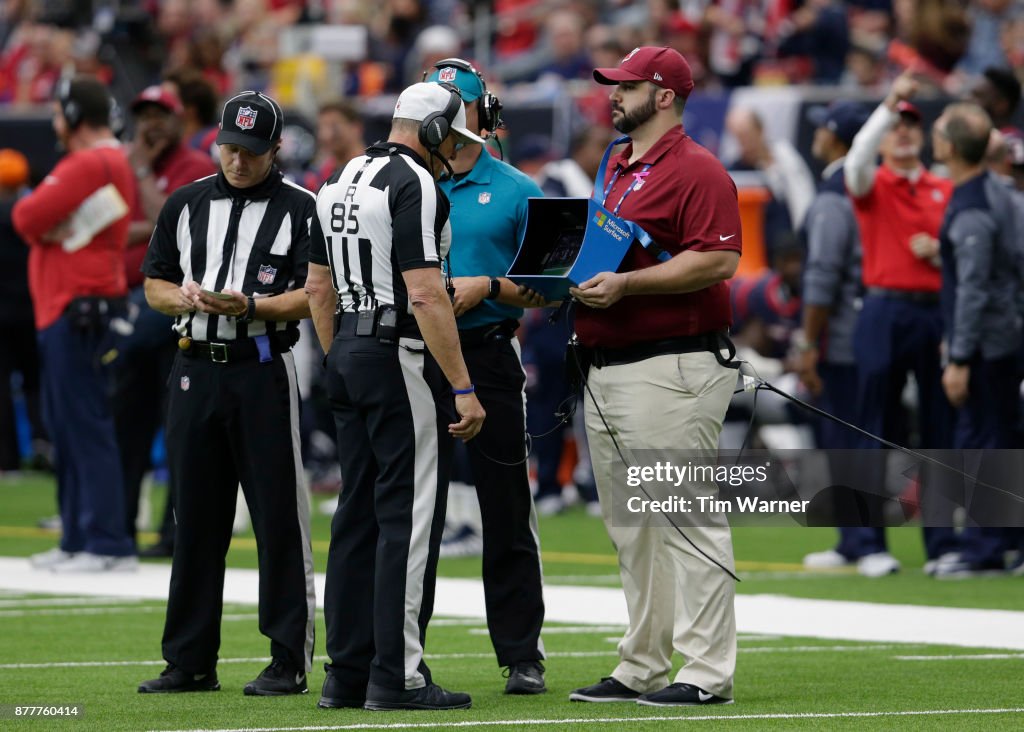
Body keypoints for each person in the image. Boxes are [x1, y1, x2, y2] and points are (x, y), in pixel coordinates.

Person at [566, 46, 742, 707]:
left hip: (671, 365)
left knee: (686, 520)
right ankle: (642, 661)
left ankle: (706, 673)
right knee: (632, 530)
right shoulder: (619, 163)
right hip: (609, 366)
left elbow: (719, 261)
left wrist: (628, 285)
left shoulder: (697, 169)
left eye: (626, 86)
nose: (612, 95)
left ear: (664, 95)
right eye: (612, 85)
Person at [306, 82, 486, 712]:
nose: (453, 152)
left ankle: (346, 672)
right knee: (407, 518)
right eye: (452, 138)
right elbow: (427, 294)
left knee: (355, 515)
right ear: (435, 130)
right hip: (396, 354)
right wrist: (462, 385)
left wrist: (338, 360)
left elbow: (318, 287)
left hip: (348, 350)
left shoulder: (338, 176)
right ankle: (399, 674)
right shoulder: (415, 183)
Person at [137, 91, 316, 696]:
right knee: (195, 519)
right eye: (230, 149)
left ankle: (287, 656)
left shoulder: (302, 209)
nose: (238, 162)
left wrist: (252, 306)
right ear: (216, 141)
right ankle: (189, 659)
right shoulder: (186, 204)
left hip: (261, 367)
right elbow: (154, 282)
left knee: (277, 518)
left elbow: (316, 294)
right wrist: (183, 298)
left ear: (276, 149)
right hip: (193, 368)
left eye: (252, 152)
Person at [424, 57, 549, 693]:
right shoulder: (404, 180)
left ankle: (521, 651)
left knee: (505, 505)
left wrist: (491, 286)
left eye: (455, 103)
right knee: (413, 511)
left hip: (487, 351)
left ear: (480, 113)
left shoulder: (519, 189)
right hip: (414, 356)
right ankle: (400, 650)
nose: (442, 116)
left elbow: (554, 290)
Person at [12, 75, 138, 573]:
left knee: (84, 423)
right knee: (68, 425)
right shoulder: (104, 160)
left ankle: (105, 542)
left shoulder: (93, 161)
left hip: (78, 307)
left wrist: (45, 223)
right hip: (70, 306)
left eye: (59, 113)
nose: (54, 123)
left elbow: (26, 217)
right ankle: (77, 537)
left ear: (73, 115)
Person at [844, 69, 959, 574]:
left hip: (934, 311)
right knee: (873, 426)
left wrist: (942, 254)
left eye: (912, 123)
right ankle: (870, 545)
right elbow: (857, 159)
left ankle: (941, 546)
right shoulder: (873, 183)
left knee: (940, 429)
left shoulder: (944, 187)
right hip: (884, 307)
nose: (905, 130)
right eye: (897, 125)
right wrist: (890, 103)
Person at [794, 101, 898, 576]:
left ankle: (866, 542)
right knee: (853, 437)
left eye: (823, 129)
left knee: (850, 437)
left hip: (843, 335)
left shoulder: (837, 194)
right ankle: (856, 540)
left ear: (837, 137)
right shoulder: (862, 188)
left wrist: (807, 343)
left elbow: (823, 275)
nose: (816, 135)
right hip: (869, 329)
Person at [120, 84, 216, 557]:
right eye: (145, 114)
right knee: (126, 425)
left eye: (162, 113)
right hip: (128, 309)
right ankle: (118, 528)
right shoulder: (126, 162)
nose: (151, 123)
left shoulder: (194, 167)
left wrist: (139, 172)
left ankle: (172, 533)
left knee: (177, 428)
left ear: (182, 119)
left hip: (174, 311)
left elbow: (170, 227)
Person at [930, 102, 1022, 577]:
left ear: (948, 146)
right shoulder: (1001, 192)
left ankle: (984, 549)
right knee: (1002, 437)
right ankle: (1007, 542)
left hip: (986, 345)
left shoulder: (972, 207)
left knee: (983, 442)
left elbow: (974, 288)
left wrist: (959, 355)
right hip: (1005, 338)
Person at [0, 148, 49, 475]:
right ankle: (45, 446)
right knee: (38, 383)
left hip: (2, 314)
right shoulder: (33, 211)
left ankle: (7, 459)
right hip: (34, 310)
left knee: (3, 387)